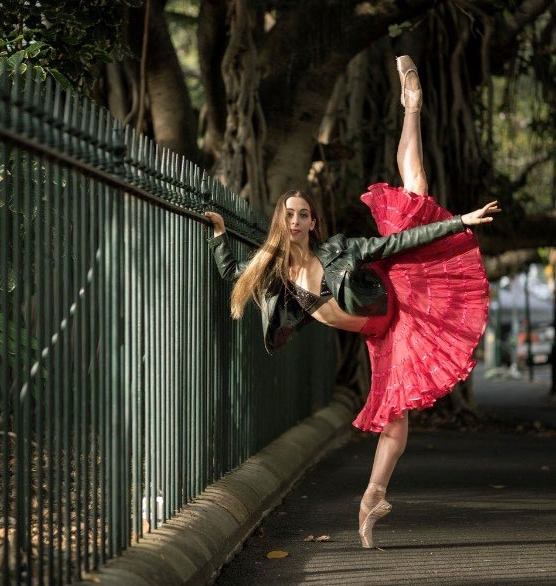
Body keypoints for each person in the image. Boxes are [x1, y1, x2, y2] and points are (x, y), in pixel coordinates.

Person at [203, 55, 501, 549]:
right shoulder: (275, 274)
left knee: (417, 191)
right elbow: (236, 275)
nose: (296, 220)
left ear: (313, 223)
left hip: (401, 295)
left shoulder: (341, 250)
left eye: (303, 214)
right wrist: (218, 236)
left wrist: (461, 222)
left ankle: (412, 106)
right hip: (381, 336)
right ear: (282, 222)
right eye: (289, 214)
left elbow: (393, 247)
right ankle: (372, 499)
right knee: (395, 417)